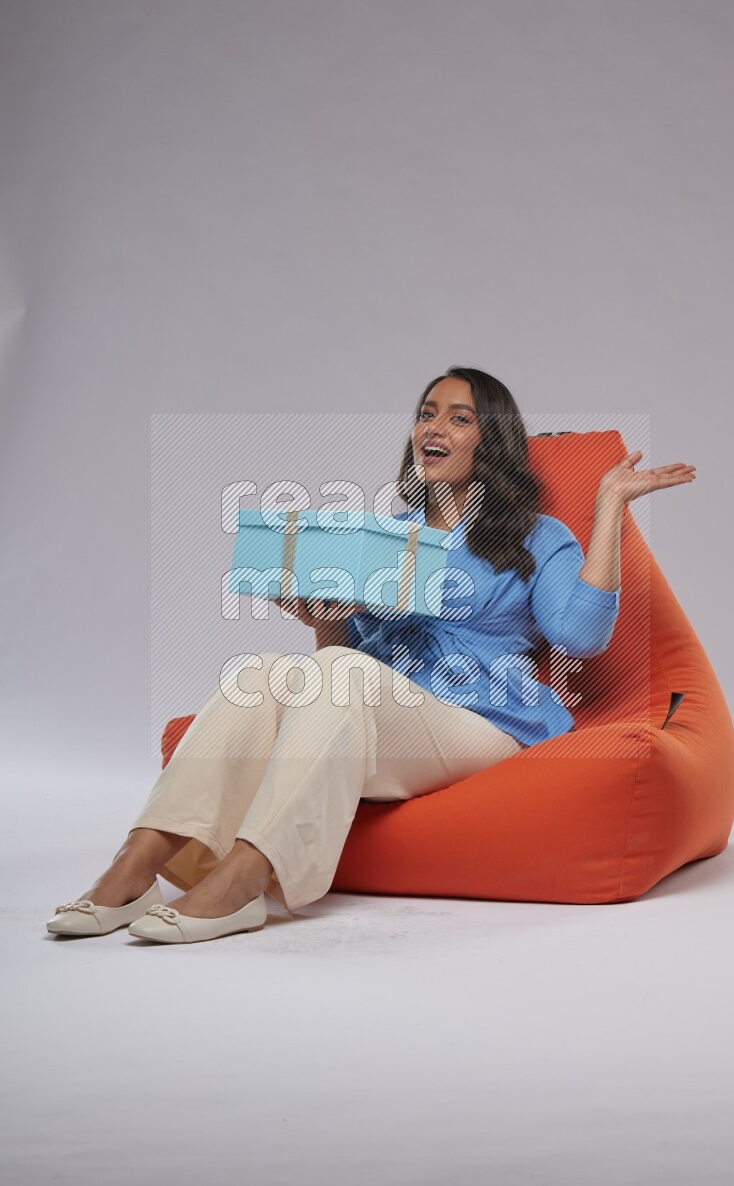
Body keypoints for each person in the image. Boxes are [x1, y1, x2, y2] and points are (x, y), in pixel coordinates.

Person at [46, 367, 696, 943]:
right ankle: (136, 863)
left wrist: (607, 506)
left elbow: (581, 636)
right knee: (261, 671)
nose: (432, 427)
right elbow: (345, 668)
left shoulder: (535, 536)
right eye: (425, 412)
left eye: (458, 416)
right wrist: (325, 622)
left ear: (489, 441)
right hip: (385, 712)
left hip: (485, 722)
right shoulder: (392, 536)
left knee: (340, 673)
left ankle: (245, 878)